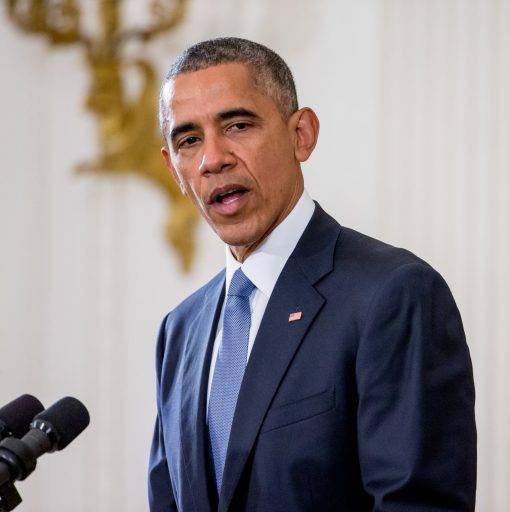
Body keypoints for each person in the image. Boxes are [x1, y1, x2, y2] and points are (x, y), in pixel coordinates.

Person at [148, 37, 476, 511]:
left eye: (237, 125)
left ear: (302, 134)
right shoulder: (179, 331)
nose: (212, 159)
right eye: (189, 140)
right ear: (173, 169)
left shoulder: (392, 294)